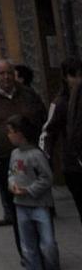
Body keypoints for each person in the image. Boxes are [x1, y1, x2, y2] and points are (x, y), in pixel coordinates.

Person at [0, 60, 47, 235]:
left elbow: (43, 121)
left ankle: (45, 245)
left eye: (9, 73)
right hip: (5, 161)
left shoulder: (28, 95)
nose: (6, 77)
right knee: (16, 209)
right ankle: (26, 249)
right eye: (1, 74)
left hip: (32, 158)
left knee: (40, 203)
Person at [7, 114, 63, 270]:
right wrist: (12, 184)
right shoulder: (14, 154)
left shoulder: (36, 155)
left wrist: (29, 190)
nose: (8, 136)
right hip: (21, 205)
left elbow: (47, 178)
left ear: (20, 133)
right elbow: (11, 173)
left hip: (39, 205)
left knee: (48, 245)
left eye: (10, 132)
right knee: (28, 247)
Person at [60, 58, 82, 224]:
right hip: (74, 165)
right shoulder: (61, 102)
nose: (77, 80)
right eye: (73, 76)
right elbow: (48, 132)